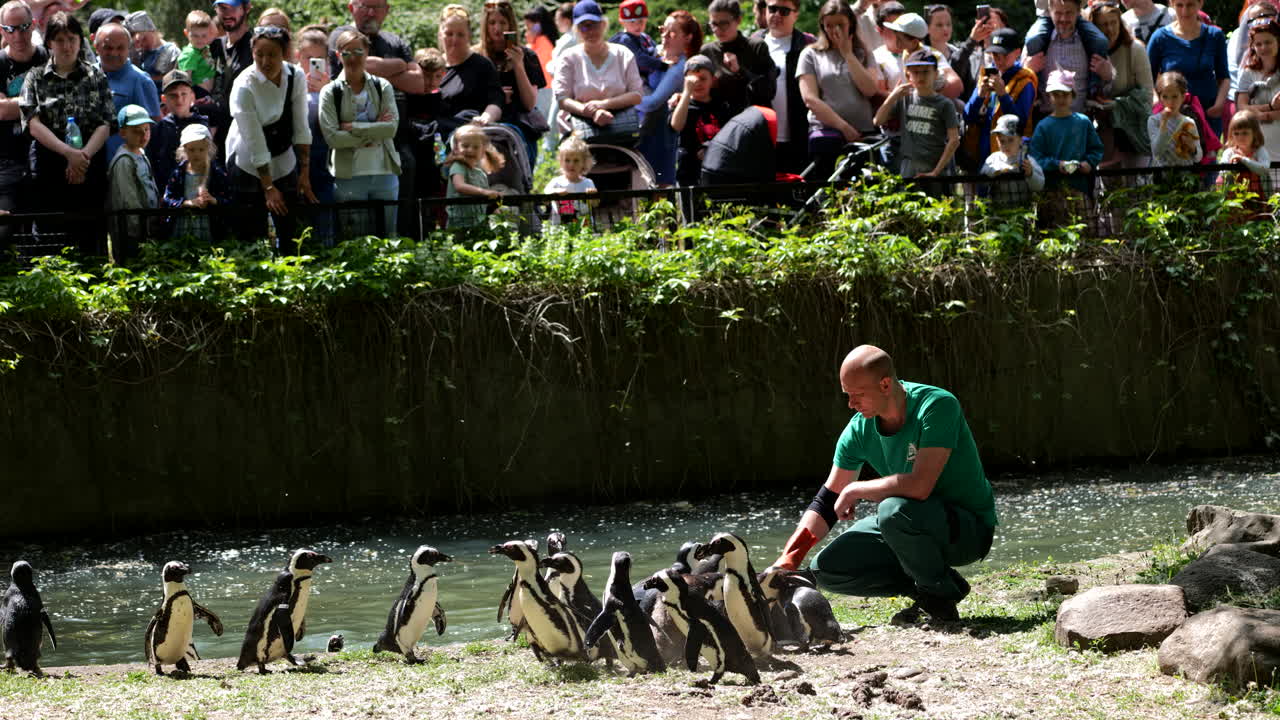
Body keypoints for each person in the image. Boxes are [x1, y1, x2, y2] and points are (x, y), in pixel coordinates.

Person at [772, 345, 997, 624]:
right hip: (908, 522)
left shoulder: (937, 405)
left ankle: (939, 600)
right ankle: (938, 588)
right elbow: (826, 501)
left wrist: (855, 489)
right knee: (826, 570)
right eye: (847, 395)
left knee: (892, 511)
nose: (850, 404)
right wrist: (788, 560)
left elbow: (919, 486)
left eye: (857, 395)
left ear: (886, 384)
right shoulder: (858, 430)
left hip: (967, 531)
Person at [20, 11, 113, 254]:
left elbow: (106, 122)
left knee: (90, 229)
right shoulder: (35, 77)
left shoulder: (95, 75)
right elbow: (33, 123)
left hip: (90, 159)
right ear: (49, 42)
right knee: (51, 230)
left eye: (72, 38)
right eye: (60, 40)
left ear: (81, 41)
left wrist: (81, 158)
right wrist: (68, 153)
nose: (66, 45)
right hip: (49, 161)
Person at [329, 0, 423, 239]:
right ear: (351, 7)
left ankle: (403, 248)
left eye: (377, 6)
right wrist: (400, 66)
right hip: (352, 148)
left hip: (395, 142)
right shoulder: (341, 35)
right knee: (357, 221)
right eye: (365, 6)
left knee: (398, 212)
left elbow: (418, 82)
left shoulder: (395, 42)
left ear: (387, 10)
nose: (371, 12)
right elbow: (359, 65)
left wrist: (381, 68)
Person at [224, 24, 315, 252]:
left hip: (283, 156)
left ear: (284, 53)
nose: (265, 61)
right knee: (251, 237)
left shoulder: (296, 75)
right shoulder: (243, 86)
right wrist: (268, 187)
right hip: (247, 160)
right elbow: (254, 141)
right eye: (259, 55)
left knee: (290, 231)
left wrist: (304, 173)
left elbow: (301, 126)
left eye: (272, 55)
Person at [318, 29, 401, 240]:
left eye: (358, 52)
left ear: (367, 53)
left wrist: (353, 127)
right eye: (346, 53)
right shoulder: (330, 92)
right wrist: (375, 131)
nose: (353, 58)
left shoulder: (383, 87)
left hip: (384, 172)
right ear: (338, 55)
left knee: (388, 238)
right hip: (349, 177)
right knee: (354, 242)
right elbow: (333, 138)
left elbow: (391, 128)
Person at [798, 0, 882, 181]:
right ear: (822, 26)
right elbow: (810, 99)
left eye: (840, 25)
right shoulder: (810, 54)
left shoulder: (863, 53)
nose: (835, 30)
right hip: (828, 134)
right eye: (829, 25)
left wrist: (848, 55)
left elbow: (870, 90)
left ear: (851, 24)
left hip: (863, 134)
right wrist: (843, 127)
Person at [553, 0, 643, 146]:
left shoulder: (623, 54)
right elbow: (562, 98)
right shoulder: (568, 57)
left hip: (622, 132)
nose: (590, 31)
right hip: (579, 136)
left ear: (603, 24)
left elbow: (637, 95)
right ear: (576, 29)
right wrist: (590, 111)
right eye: (584, 27)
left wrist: (603, 105)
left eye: (594, 24)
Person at [476, 0, 547, 164]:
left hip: (519, 125)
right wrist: (497, 98)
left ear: (511, 24)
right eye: (492, 22)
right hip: (486, 123)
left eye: (503, 22)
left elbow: (530, 104)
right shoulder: (477, 56)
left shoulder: (527, 56)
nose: (497, 28)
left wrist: (518, 65)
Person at [0, 0, 47, 243]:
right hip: (6, 162)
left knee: (41, 238)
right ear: (1, 30)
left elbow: (57, 105)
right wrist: (38, 101)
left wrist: (12, 103)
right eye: (10, 29)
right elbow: (0, 111)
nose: (17, 34)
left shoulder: (46, 59)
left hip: (43, 158)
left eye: (23, 27)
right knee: (5, 231)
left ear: (34, 25)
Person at [873, 49, 960, 181]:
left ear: (936, 74)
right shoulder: (904, 99)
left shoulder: (945, 104)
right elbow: (877, 121)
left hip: (936, 168)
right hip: (909, 166)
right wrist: (893, 96)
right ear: (908, 76)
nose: (920, 77)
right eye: (915, 72)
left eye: (926, 72)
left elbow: (954, 140)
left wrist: (936, 171)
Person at [636, 10, 700, 185]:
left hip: (662, 134)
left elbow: (653, 103)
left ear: (687, 38)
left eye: (672, 33)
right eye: (663, 29)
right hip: (642, 130)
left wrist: (629, 95)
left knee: (660, 188)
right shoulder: (655, 53)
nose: (664, 36)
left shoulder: (681, 66)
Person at [1146, 0, 1229, 135]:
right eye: (1179, 5)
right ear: (1172, 4)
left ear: (1200, 4)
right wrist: (1157, 103)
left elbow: (1224, 77)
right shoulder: (1160, 37)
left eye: (1190, 4)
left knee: (1206, 155)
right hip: (1172, 114)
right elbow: (1147, 78)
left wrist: (1219, 105)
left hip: (1207, 113)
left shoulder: (1214, 36)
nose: (1185, 11)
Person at [1087, 1, 1154, 168]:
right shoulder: (1089, 52)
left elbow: (1147, 95)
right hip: (1103, 133)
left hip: (1133, 132)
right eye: (1103, 25)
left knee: (1137, 188)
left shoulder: (1134, 49)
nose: (1110, 29)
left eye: (1113, 23)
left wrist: (1116, 104)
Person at [1023, 0, 1113, 119]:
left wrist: (1108, 76)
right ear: (1050, 12)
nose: (1064, 19)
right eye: (1058, 13)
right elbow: (1018, 84)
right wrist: (1027, 71)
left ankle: (1094, 94)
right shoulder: (1037, 44)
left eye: (1069, 13)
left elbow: (1111, 86)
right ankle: (1037, 96)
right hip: (1044, 120)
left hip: (1081, 120)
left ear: (1078, 12)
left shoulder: (1090, 42)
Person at [962, 28, 1036, 171]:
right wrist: (980, 95)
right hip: (983, 155)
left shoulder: (1025, 81)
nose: (998, 60)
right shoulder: (987, 76)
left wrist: (1003, 94)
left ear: (1017, 53)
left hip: (1011, 158)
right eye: (995, 55)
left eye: (1004, 55)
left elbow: (1020, 124)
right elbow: (968, 116)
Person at [1029, 68, 1103, 193]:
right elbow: (1036, 158)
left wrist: (1089, 163)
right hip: (1051, 191)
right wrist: (1057, 165)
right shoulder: (1043, 126)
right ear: (1049, 96)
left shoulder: (1083, 122)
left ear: (1073, 95)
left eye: (1065, 94)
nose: (1061, 99)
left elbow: (1096, 149)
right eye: (1056, 95)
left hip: (1081, 189)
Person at [700, 0, 777, 118]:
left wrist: (739, 71)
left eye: (724, 23)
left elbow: (768, 91)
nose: (718, 29)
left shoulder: (756, 47)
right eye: (714, 24)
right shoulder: (707, 51)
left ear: (738, 20)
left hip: (752, 122)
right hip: (720, 124)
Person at [762, 0, 815, 171]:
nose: (776, 14)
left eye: (784, 11)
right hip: (763, 136)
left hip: (800, 134)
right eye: (772, 9)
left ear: (795, 14)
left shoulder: (808, 44)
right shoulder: (753, 43)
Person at [96, 22, 161, 158]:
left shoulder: (141, 81)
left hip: (122, 166)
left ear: (128, 49)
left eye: (120, 48)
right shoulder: (86, 76)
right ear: (96, 47)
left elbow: (153, 129)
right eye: (108, 47)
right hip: (89, 164)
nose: (114, 53)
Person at [437, 4, 502, 136]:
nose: (454, 40)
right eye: (449, 34)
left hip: (469, 132)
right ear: (440, 34)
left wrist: (485, 119)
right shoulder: (433, 65)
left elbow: (496, 101)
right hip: (436, 132)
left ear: (469, 36)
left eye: (460, 34)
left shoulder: (482, 65)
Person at [146, 70, 213, 196]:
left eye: (184, 94)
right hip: (169, 196)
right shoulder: (159, 129)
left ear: (192, 96)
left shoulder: (202, 126)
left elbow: (211, 161)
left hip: (199, 193)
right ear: (164, 99)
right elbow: (152, 165)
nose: (179, 99)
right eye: (173, 95)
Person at [297, 26, 336, 246]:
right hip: (294, 156)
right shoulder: (289, 80)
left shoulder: (334, 84)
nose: (313, 63)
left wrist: (327, 90)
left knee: (324, 208)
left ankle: (327, 253)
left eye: (319, 58)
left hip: (324, 157)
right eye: (308, 58)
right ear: (297, 56)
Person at [106, 103, 157, 261]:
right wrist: (139, 230)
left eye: (146, 129)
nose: (143, 135)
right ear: (122, 133)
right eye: (136, 131)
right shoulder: (124, 161)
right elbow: (128, 200)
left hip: (148, 227)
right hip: (132, 232)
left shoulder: (142, 154)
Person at [164, 123, 231, 243]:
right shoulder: (179, 172)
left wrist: (214, 200)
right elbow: (168, 197)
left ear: (208, 148)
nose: (196, 154)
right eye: (191, 150)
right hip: (183, 222)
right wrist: (187, 203)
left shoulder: (216, 173)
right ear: (184, 149)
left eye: (201, 149)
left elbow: (229, 197)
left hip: (210, 225)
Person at [670, 54, 730, 186]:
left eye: (703, 79)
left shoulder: (722, 105)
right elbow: (676, 126)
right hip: (688, 171)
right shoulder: (681, 104)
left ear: (712, 80)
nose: (698, 84)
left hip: (716, 169)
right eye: (693, 80)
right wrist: (686, 92)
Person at [883, 12, 963, 98]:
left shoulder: (931, 55)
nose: (897, 42)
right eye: (896, 37)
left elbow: (956, 85)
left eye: (900, 39)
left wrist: (929, 95)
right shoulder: (906, 52)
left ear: (914, 42)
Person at [1234, 15, 1280, 156]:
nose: (1263, 47)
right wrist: (1270, 109)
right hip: (1257, 141)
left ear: (1278, 41)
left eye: (1268, 42)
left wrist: (1258, 113)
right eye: (1258, 44)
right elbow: (1242, 108)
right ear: (1252, 47)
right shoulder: (1248, 73)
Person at [444, 123, 502, 229]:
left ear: (482, 151)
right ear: (456, 148)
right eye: (465, 146)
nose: (470, 150)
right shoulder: (458, 166)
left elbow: (488, 200)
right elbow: (459, 186)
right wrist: (484, 192)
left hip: (478, 223)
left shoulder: (480, 173)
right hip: (459, 223)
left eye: (475, 147)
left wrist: (496, 213)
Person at [981, 113, 1044, 204]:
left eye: (1010, 140)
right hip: (997, 212)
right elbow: (983, 179)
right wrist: (997, 171)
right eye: (1002, 141)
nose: (1006, 145)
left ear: (1020, 140)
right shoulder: (993, 159)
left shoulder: (1027, 160)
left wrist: (1031, 173)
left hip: (1022, 211)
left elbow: (1039, 186)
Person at [1216, 109, 1271, 212]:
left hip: (1257, 197)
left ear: (1254, 133)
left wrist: (1244, 160)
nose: (1240, 137)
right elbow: (1223, 172)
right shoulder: (1229, 152)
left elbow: (1264, 169)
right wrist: (1232, 165)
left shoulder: (1259, 150)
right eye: (1236, 133)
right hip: (1234, 198)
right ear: (1231, 135)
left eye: (1245, 133)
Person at [1150, 70, 1203, 166]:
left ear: (1183, 97)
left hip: (1184, 178)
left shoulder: (1188, 122)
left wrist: (1193, 147)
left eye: (1175, 96)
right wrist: (1163, 124)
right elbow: (1157, 151)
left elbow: (1198, 158)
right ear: (1160, 97)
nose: (1170, 102)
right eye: (1165, 97)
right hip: (1162, 178)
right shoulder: (1154, 121)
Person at [543, 134, 596, 225]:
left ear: (584, 163)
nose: (571, 165)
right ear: (561, 161)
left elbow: (595, 204)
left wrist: (593, 195)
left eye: (576, 161)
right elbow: (545, 196)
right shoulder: (556, 182)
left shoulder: (588, 183)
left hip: (584, 227)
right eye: (567, 160)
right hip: (560, 228)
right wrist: (555, 192)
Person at [1229, 1, 1278, 96]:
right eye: (1252, 20)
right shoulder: (1247, 64)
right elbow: (1242, 101)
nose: (1259, 23)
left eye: (1262, 17)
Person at [609, 0, 662, 84]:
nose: (637, 25)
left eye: (641, 21)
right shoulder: (625, 39)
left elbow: (656, 49)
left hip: (646, 77)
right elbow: (640, 59)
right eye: (632, 22)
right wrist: (663, 65)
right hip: (629, 82)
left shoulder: (644, 37)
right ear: (622, 22)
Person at [125, 11, 178, 86]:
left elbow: (175, 79)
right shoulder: (139, 54)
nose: (141, 45)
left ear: (152, 30)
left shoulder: (172, 51)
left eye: (143, 39)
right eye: (137, 43)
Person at [176, 10, 217, 94]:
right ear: (186, 33)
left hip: (209, 93)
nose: (200, 39)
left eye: (204, 35)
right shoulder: (190, 54)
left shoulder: (205, 47)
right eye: (195, 35)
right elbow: (185, 79)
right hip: (197, 94)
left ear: (209, 33)